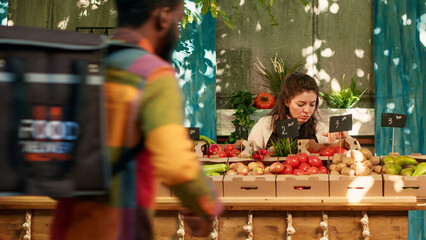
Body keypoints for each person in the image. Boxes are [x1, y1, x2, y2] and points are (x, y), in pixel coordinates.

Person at [50, 0, 222, 239]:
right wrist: (205, 206)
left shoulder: (87, 65)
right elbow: (176, 165)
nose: (177, 30)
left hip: (68, 225)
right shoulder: (153, 74)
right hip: (120, 225)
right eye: (178, 21)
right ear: (163, 17)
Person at [248, 72, 345, 150]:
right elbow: (250, 155)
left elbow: (347, 154)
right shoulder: (266, 125)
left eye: (312, 104)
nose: (307, 110)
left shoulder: (320, 129)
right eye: (300, 104)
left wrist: (344, 139)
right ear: (286, 101)